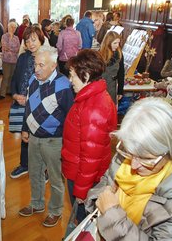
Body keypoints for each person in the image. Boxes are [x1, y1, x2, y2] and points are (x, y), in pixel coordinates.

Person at [86, 97, 172, 240]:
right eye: (129, 152)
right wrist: (100, 198)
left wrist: (112, 216)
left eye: (146, 159)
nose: (133, 165)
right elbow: (105, 182)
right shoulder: (131, 153)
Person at [18, 48, 74, 228]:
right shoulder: (34, 79)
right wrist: (25, 128)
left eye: (41, 65)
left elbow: (70, 116)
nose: (36, 69)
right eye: (35, 64)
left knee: (56, 179)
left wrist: (66, 142)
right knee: (34, 173)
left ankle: (56, 211)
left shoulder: (64, 85)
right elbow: (28, 105)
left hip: (54, 141)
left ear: (53, 66)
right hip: (34, 137)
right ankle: (37, 204)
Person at [61, 49, 118, 223]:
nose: (70, 81)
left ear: (85, 75)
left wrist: (81, 191)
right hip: (79, 173)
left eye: (73, 75)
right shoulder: (91, 97)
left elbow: (91, 157)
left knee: (84, 222)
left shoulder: (93, 107)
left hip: (83, 179)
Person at [9, 26, 44, 179]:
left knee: (42, 138)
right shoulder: (23, 58)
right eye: (27, 41)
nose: (31, 44)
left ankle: (44, 168)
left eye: (34, 39)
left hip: (42, 106)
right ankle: (25, 165)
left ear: (41, 39)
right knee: (25, 135)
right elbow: (15, 79)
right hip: (24, 104)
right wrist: (16, 95)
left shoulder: (49, 58)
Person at [99, 31, 125, 104]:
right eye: (115, 43)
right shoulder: (100, 54)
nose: (117, 45)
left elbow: (121, 73)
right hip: (101, 87)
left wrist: (120, 91)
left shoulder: (119, 54)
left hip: (112, 87)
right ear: (108, 43)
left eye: (118, 43)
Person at [0, 21, 20, 99]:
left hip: (14, 60)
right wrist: (12, 49)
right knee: (6, 76)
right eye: (12, 27)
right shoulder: (4, 36)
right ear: (8, 27)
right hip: (6, 60)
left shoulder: (16, 38)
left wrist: (10, 49)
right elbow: (5, 46)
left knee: (12, 76)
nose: (13, 29)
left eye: (15, 27)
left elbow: (18, 48)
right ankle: (2, 93)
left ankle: (9, 91)